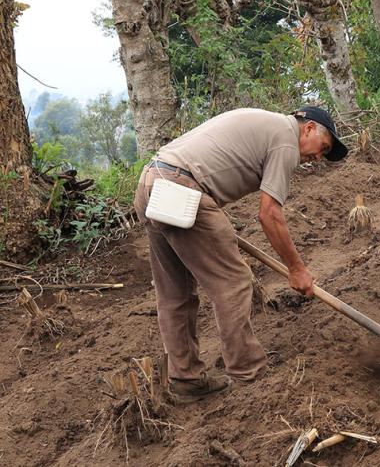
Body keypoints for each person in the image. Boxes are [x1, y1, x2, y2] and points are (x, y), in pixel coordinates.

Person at [133, 106, 348, 402]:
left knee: (174, 293)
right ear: (309, 128)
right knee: (233, 282)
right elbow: (269, 214)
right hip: (181, 188)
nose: (318, 158)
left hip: (152, 182)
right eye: (322, 148)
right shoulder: (286, 139)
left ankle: (185, 379)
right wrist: (296, 268)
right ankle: (249, 371)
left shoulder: (268, 125)